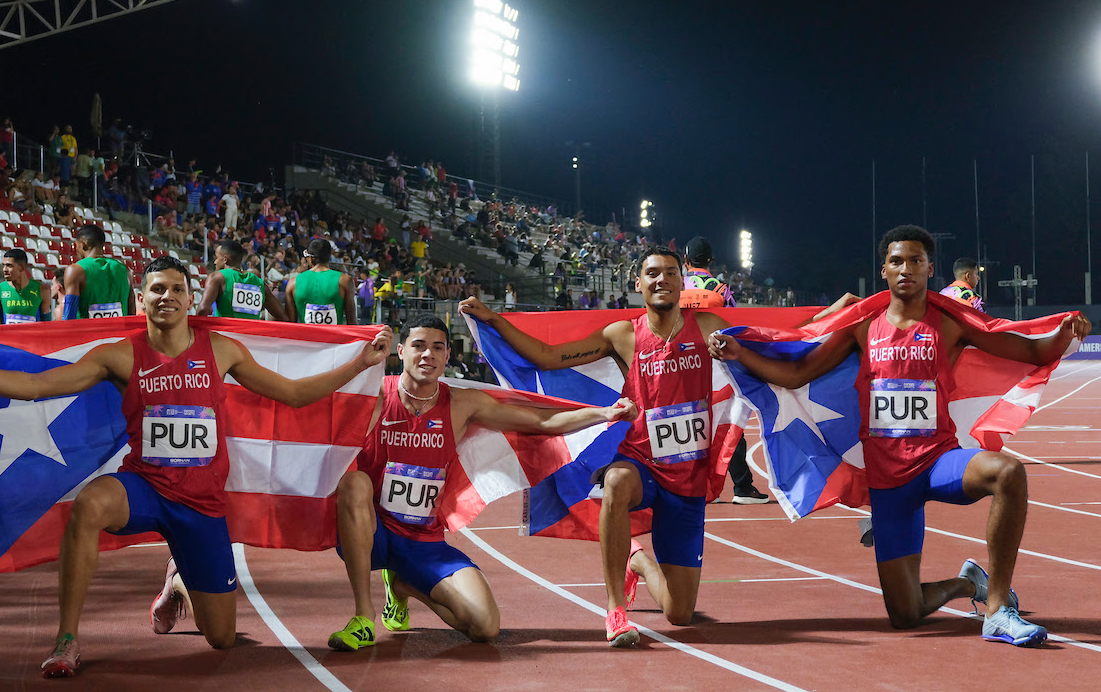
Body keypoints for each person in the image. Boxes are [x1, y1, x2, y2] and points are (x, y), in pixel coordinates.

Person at [0, 256, 392, 678]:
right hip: (145, 487)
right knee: (90, 503)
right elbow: (37, 387)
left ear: (190, 298)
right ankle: (67, 638)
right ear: (141, 299)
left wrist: (358, 365)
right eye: (157, 289)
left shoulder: (221, 349)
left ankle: (178, 580)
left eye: (176, 289)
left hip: (201, 506)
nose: (167, 297)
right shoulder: (119, 354)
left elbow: (293, 394)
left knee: (222, 638)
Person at [708, 224, 1090, 647]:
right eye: (896, 261)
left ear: (930, 268)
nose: (905, 268)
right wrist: (740, 353)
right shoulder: (861, 325)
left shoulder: (950, 322)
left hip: (937, 460)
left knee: (1008, 473)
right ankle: (969, 584)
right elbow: (797, 373)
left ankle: (998, 611)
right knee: (905, 615)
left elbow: (1031, 351)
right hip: (889, 482)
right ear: (884, 270)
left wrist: (1064, 333)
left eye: (915, 260)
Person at [460, 245, 733, 647]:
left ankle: (638, 562)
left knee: (680, 614)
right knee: (616, 484)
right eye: (653, 273)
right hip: (643, 463)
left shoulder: (708, 326)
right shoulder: (622, 335)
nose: (662, 279)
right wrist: (494, 319)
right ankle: (615, 610)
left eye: (670, 273)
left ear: (682, 282)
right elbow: (548, 358)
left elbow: (769, 344)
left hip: (688, 477)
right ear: (638, 284)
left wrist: (823, 324)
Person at [328, 313, 636, 651]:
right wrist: (360, 363)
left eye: (437, 347)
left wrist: (604, 413)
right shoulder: (374, 395)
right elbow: (317, 400)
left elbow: (541, 422)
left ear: (448, 355)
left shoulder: (462, 404)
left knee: (485, 626)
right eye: (418, 346)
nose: (428, 354)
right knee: (354, 484)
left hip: (422, 541)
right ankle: (364, 617)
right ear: (400, 351)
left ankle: (404, 585)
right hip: (373, 532)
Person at [681, 236, 769, 505]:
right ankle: (741, 486)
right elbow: (733, 327)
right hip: (716, 366)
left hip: (683, 366)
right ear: (710, 260)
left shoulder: (677, 287)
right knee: (729, 421)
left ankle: (695, 485)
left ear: (685, 260)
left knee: (688, 424)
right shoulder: (720, 289)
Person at [197, 240, 287, 321]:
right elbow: (282, 316)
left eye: (217, 257)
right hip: (251, 334)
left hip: (226, 333)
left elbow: (202, 309)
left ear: (225, 259)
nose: (215, 262)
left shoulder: (217, 277)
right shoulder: (259, 282)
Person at [63, 224, 135, 320]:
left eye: (76, 245)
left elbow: (69, 315)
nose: (76, 250)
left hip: (89, 330)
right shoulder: (125, 270)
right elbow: (131, 309)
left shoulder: (75, 270)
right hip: (120, 329)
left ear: (83, 243)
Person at [286, 238, 356, 325]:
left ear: (310, 258)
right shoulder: (344, 280)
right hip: (334, 334)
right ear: (329, 256)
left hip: (305, 334)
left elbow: (290, 324)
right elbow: (351, 320)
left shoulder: (293, 283)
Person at [0, 249, 52, 325]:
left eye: (9, 265)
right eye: (3, 265)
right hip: (9, 332)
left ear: (22, 268)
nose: (4, 269)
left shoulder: (42, 290)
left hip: (33, 333)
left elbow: (47, 324)